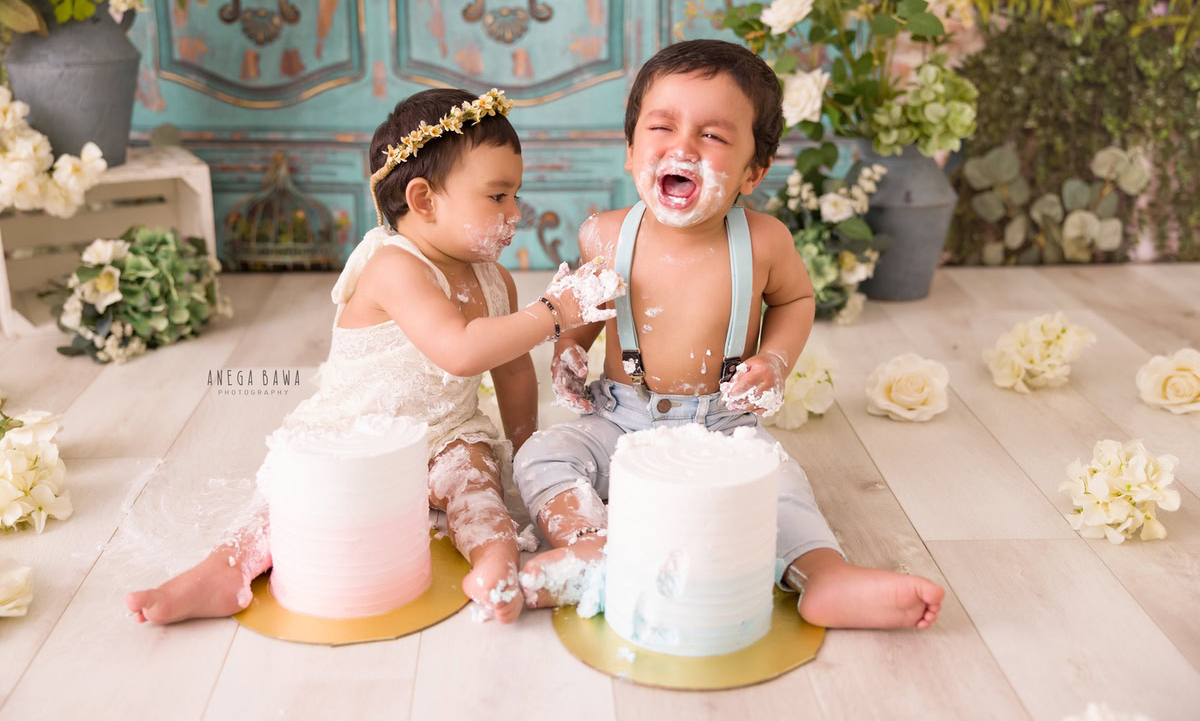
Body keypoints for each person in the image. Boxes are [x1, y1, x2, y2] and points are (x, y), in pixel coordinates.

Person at [126, 88, 622, 626]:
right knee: (295, 507)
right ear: (424, 199)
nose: (515, 214)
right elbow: (459, 352)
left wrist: (521, 449)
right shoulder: (394, 267)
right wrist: (552, 311)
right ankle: (221, 572)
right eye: (497, 197)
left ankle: (495, 562)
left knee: (479, 492)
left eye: (515, 196)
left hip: (448, 431)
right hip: (356, 431)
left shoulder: (493, 277)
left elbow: (510, 366)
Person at [514, 41, 945, 629]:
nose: (683, 146)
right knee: (543, 454)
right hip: (618, 421)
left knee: (779, 485)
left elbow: (795, 300)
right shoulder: (605, 235)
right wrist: (571, 346)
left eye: (713, 136)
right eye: (661, 126)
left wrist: (774, 360)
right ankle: (595, 544)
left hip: (722, 424)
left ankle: (824, 574)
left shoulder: (765, 241)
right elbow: (592, 304)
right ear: (631, 150)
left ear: (753, 171)